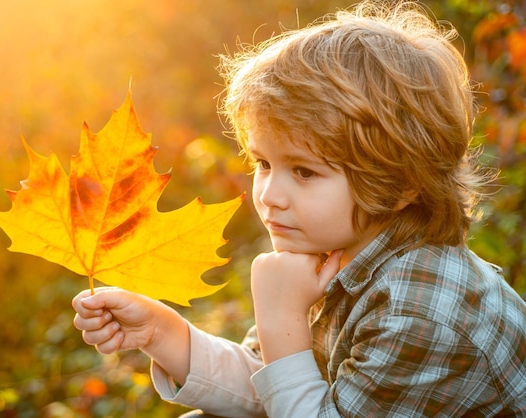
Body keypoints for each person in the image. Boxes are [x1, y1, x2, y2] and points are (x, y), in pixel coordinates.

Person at [72, 1, 526, 416]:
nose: (269, 194)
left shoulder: (419, 312)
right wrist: (164, 335)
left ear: (401, 183)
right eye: (262, 163)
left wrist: (282, 318)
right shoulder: (339, 251)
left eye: (304, 172)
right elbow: (276, 387)